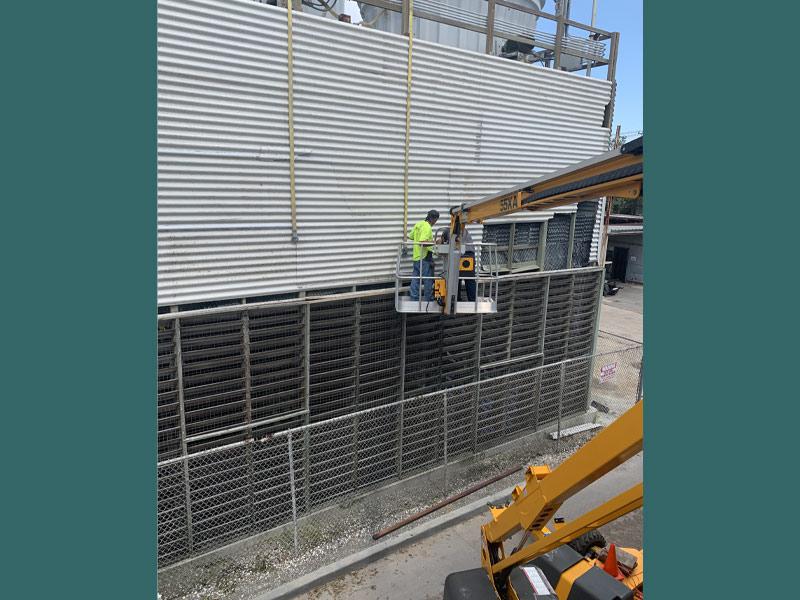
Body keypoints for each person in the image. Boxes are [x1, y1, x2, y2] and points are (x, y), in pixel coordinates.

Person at [408, 210, 439, 301]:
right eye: (436, 221)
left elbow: (411, 236)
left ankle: (414, 297)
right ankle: (429, 298)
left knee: (416, 278)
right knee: (428, 278)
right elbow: (422, 242)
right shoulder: (427, 227)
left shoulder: (418, 224)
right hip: (424, 256)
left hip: (416, 256)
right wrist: (435, 242)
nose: (435, 223)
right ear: (433, 219)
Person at [459, 227, 477, 302]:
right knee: (470, 279)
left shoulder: (451, 230)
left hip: (461, 256)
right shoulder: (465, 231)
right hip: (470, 256)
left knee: (455, 280)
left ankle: (457, 299)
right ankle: (472, 300)